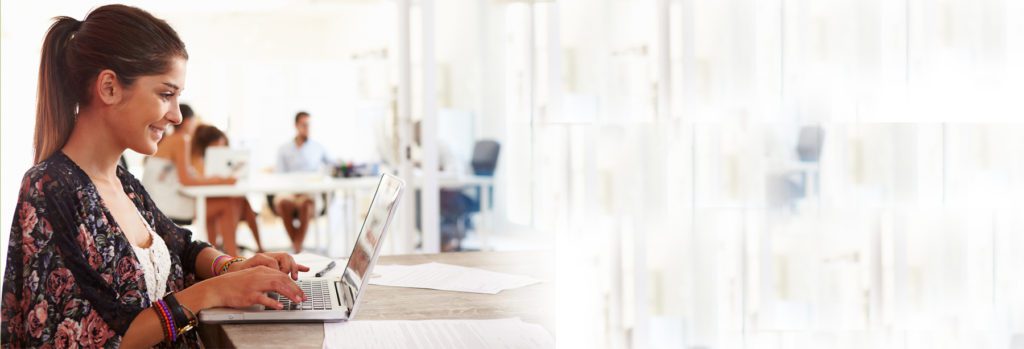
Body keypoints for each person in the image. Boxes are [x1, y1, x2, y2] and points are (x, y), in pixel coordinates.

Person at [1, 6, 309, 348]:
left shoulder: (122, 181)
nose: (177, 116)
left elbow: (183, 248)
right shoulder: (50, 189)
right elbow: (92, 338)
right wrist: (212, 292)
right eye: (166, 94)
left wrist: (234, 266)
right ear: (109, 88)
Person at [144, 104, 257, 256]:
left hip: (156, 201)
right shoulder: (181, 140)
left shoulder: (171, 139)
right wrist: (221, 181)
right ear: (188, 121)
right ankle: (232, 256)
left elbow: (185, 176)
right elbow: (186, 180)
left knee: (225, 202)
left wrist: (214, 180)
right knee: (227, 203)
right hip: (166, 204)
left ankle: (218, 252)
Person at [190, 124, 264, 255]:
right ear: (208, 144)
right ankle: (232, 252)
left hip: (214, 198)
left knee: (241, 200)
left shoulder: (215, 160)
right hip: (200, 203)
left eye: (223, 145)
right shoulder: (196, 159)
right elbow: (204, 180)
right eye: (218, 145)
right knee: (230, 203)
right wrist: (223, 179)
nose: (221, 149)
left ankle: (257, 248)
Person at [273, 111, 332, 253]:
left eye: (309, 125)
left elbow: (332, 166)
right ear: (296, 126)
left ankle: (296, 247)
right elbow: (279, 176)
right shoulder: (283, 149)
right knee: (283, 203)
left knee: (306, 204)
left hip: (309, 193)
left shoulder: (318, 148)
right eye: (304, 125)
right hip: (289, 192)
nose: (307, 128)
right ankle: (297, 246)